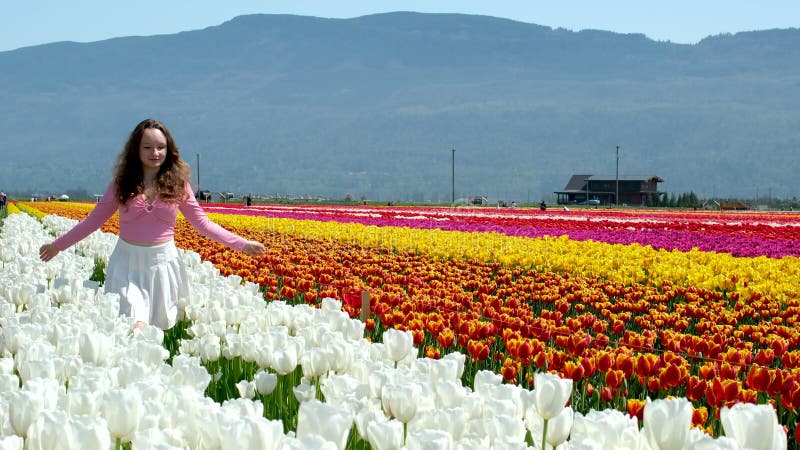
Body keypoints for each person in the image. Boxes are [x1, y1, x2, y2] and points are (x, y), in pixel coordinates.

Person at [39, 119, 266, 330]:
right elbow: (93, 221)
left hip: (162, 265)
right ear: (136, 150)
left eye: (160, 147)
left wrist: (242, 244)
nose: (155, 153)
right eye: (147, 147)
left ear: (168, 150)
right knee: (133, 323)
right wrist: (57, 245)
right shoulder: (121, 184)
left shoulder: (178, 185)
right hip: (127, 265)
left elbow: (202, 224)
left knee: (153, 333)